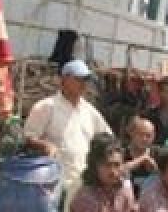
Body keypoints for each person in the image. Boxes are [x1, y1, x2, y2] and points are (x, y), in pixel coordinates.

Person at [22, 59, 112, 200]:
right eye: (78, 79)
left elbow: (107, 138)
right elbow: (27, 138)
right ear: (64, 80)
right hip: (51, 184)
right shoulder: (46, 107)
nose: (83, 84)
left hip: (82, 184)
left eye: (86, 80)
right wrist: (44, 145)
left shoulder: (90, 111)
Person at [123, 115, 157, 196]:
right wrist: (142, 159)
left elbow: (167, 175)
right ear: (132, 134)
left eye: (148, 135)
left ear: (153, 137)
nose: (144, 138)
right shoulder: (122, 153)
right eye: (141, 134)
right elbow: (119, 170)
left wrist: (156, 169)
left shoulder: (158, 153)